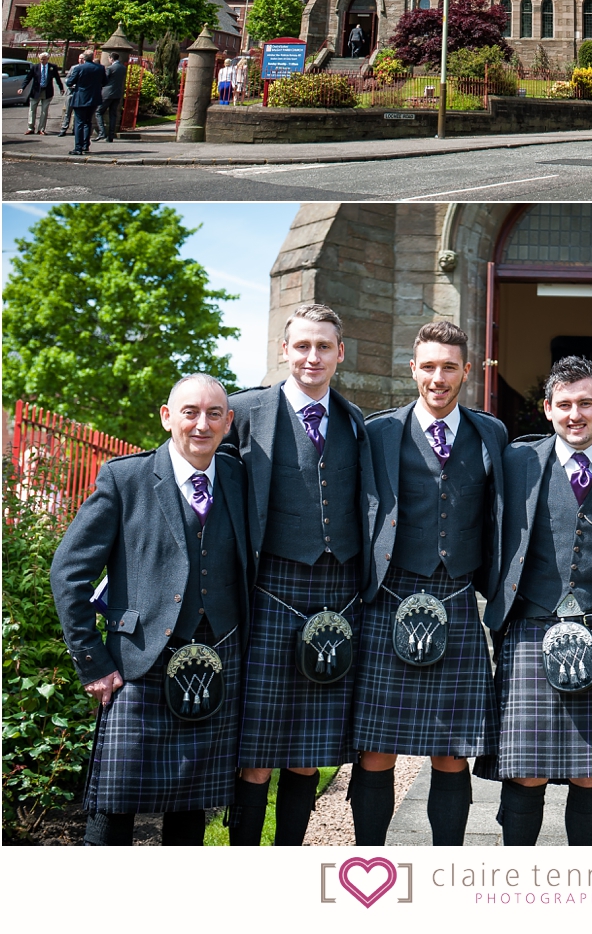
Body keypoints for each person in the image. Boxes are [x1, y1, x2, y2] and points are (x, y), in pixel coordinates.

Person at [49, 375, 252, 845]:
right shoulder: (126, 478)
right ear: (167, 416)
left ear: (229, 422)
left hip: (215, 662)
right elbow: (68, 571)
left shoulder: (239, 479)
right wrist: (92, 662)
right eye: (190, 412)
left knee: (190, 803)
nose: (202, 424)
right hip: (138, 662)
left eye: (214, 414)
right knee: (114, 801)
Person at [481, 355, 592, 847]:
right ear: (547, 409)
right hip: (530, 626)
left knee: (590, 773)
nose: (574, 414)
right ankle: (515, 875)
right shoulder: (516, 461)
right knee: (525, 771)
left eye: (585, 403)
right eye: (564, 405)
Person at [222, 303, 376, 847]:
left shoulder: (359, 424)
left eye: (323, 347)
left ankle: (289, 858)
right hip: (269, 591)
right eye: (302, 346)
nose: (313, 357)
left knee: (309, 755)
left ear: (340, 353)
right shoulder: (242, 412)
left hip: (338, 595)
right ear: (284, 350)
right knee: (257, 755)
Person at [351, 321, 507, 846]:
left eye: (449, 367)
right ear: (412, 368)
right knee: (376, 746)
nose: (437, 378)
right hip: (391, 599)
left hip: (458, 597)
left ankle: (448, 864)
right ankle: (368, 859)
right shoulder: (378, 432)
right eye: (428, 366)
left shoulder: (492, 433)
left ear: (467, 370)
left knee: (452, 747)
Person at [65, 49, 106, 156]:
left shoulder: (79, 68)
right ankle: (85, 144)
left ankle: (78, 148)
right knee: (88, 122)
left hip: (81, 98)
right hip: (94, 98)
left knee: (79, 123)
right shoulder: (100, 68)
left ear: (84, 58)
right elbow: (105, 82)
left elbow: (69, 82)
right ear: (92, 57)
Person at [23, 51, 63, 135]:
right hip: (35, 91)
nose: (42, 61)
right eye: (41, 59)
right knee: (32, 110)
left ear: (47, 59)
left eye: (44, 59)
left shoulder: (52, 67)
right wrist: (22, 87)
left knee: (44, 111)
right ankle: (30, 128)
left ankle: (41, 129)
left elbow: (57, 78)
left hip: (47, 92)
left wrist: (61, 88)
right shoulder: (35, 67)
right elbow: (28, 78)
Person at [94, 52, 128, 143]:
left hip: (107, 93)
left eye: (109, 58)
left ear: (111, 59)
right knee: (113, 114)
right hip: (117, 94)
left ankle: (102, 132)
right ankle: (111, 136)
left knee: (98, 112)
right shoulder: (123, 68)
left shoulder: (110, 68)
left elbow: (104, 80)